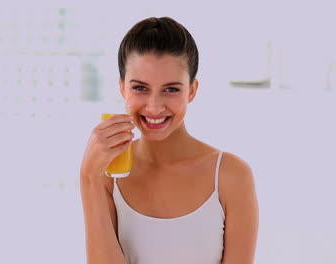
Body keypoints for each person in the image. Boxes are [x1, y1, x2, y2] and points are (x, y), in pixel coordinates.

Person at [80, 17, 258, 264]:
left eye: (171, 89)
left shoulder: (231, 175)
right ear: (122, 88)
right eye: (140, 88)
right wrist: (88, 178)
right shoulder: (109, 175)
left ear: (192, 91)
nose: (154, 107)